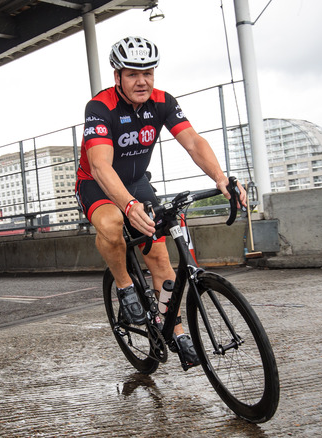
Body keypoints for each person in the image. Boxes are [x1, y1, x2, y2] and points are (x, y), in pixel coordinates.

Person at [74, 36, 247, 370]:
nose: (142, 81)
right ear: (117, 77)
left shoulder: (163, 102)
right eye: (133, 74)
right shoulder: (100, 107)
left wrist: (221, 177)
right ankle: (125, 287)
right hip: (97, 181)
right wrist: (128, 206)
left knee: (160, 257)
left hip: (137, 182)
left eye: (148, 73)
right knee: (111, 224)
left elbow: (194, 142)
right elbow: (100, 165)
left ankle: (177, 331)